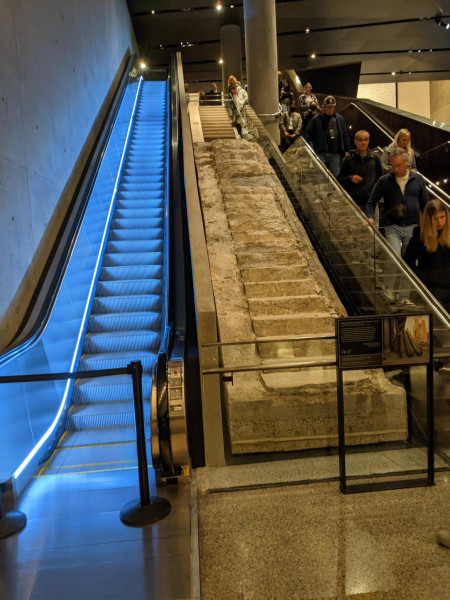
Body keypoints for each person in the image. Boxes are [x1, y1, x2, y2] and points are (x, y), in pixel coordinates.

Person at [365, 148, 429, 305]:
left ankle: (403, 297)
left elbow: (426, 204)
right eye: (392, 165)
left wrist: (427, 225)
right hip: (393, 226)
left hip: (413, 228)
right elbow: (371, 202)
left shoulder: (418, 180)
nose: (395, 169)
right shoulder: (385, 180)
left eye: (398, 165)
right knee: (395, 257)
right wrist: (369, 217)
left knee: (410, 263)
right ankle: (388, 289)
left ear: (406, 163)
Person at [404, 199, 450, 312]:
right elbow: (407, 262)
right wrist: (425, 277)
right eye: (435, 218)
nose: (439, 222)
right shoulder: (420, 236)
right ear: (429, 219)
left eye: (442, 217)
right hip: (433, 289)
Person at [302, 95, 351, 177]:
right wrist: (310, 147)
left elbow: (345, 134)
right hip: (320, 153)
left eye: (332, 107)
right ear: (323, 107)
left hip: (335, 154)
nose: (331, 109)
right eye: (328, 107)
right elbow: (306, 134)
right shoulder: (316, 119)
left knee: (334, 176)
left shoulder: (339, 119)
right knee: (320, 176)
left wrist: (347, 150)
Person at [337, 130, 382, 211]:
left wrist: (374, 193)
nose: (363, 142)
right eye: (360, 140)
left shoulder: (375, 158)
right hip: (353, 201)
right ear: (355, 141)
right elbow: (340, 179)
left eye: (366, 140)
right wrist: (350, 178)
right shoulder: (347, 160)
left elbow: (379, 178)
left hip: (370, 202)